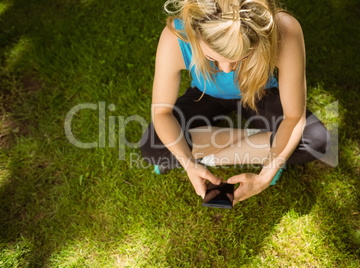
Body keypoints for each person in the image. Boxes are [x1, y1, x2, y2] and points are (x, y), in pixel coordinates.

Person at [140, 0, 330, 206]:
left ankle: (199, 154)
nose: (227, 69)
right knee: (153, 145)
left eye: (243, 56)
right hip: (204, 94)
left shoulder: (284, 31)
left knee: (315, 140)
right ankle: (267, 144)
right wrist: (188, 164)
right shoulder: (176, 37)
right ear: (195, 33)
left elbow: (294, 117)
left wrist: (265, 176)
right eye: (211, 57)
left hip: (258, 90)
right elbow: (161, 114)